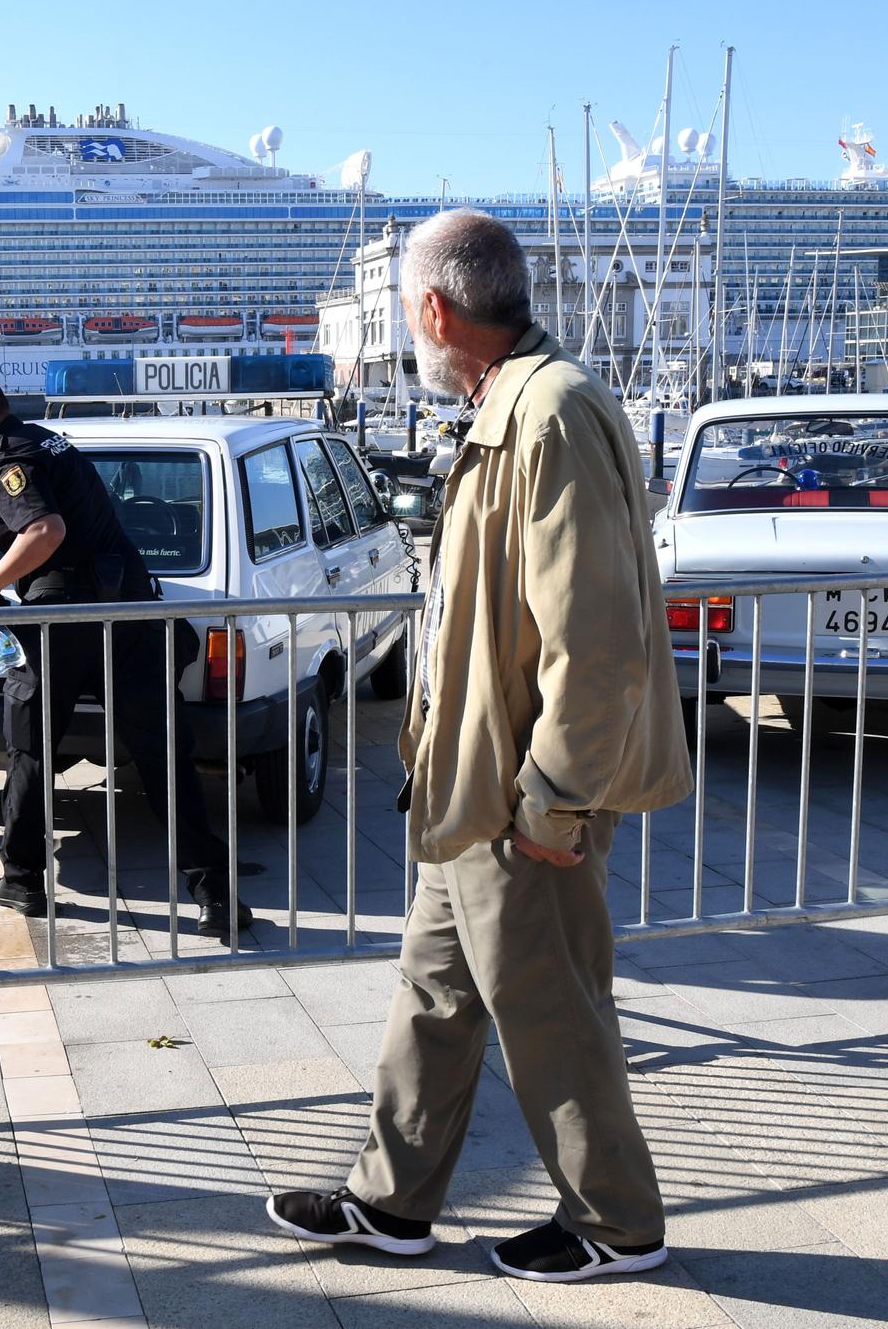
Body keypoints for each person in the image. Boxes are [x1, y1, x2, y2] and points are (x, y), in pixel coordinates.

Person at [264, 211, 693, 1281]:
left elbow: (591, 641)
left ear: (431, 309)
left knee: (547, 1010)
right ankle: (389, 1201)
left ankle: (614, 1221)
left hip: (517, 795)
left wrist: (554, 796)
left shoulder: (542, 415)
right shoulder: (509, 404)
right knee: (435, 998)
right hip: (469, 786)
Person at [0, 372, 251, 940]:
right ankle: (215, 895)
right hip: (127, 613)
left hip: (63, 621)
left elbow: (44, 530)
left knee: (30, 748)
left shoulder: (6, 460)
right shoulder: (43, 442)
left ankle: (23, 879)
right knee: (164, 757)